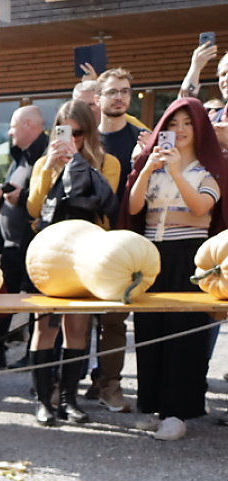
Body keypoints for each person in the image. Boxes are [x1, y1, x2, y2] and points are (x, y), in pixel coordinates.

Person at [123, 98, 228, 440]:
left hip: (191, 255)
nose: (179, 130)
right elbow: (135, 205)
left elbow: (201, 208)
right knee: (150, 328)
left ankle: (179, 412)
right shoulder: (153, 164)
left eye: (187, 123)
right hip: (151, 254)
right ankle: (152, 406)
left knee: (184, 332)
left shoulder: (209, 169)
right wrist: (143, 168)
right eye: (172, 124)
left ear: (199, 128)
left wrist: (177, 173)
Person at [25, 100, 120, 426]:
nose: (72, 139)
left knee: (76, 329)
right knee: (44, 328)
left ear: (88, 132)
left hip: (85, 254)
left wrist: (80, 166)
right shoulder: (44, 163)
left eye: (78, 132)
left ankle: (69, 399)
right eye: (65, 131)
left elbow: (104, 208)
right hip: (48, 254)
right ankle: (43, 401)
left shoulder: (107, 163)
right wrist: (51, 168)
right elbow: (34, 209)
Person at [89, 67, 149, 411]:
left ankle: (109, 383)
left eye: (125, 91)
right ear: (98, 99)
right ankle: (67, 387)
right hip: (83, 239)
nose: (120, 97)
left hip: (126, 239)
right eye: (112, 92)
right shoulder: (85, 136)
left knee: (114, 320)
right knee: (76, 320)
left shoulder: (140, 136)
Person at [0, 106, 47, 365]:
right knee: (3, 301)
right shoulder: (19, 156)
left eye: (13, 126)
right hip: (11, 244)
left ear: (28, 125)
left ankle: (33, 355)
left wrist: (22, 197)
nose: (9, 131)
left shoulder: (47, 156)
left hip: (33, 243)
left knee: (36, 302)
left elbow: (48, 196)